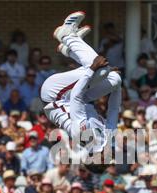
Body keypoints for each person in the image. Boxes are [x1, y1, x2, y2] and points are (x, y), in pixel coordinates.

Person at [42, 12, 123, 158]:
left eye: (104, 160)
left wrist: (93, 69)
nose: (111, 157)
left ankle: (66, 35)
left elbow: (76, 97)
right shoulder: (108, 139)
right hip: (80, 97)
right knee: (114, 78)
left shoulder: (83, 134)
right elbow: (113, 109)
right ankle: (69, 50)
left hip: (54, 95)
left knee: (100, 70)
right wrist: (117, 85)